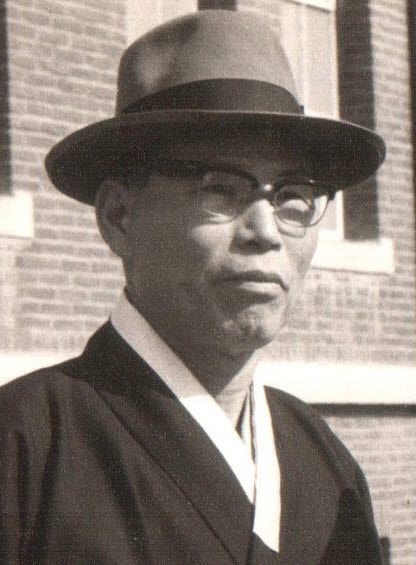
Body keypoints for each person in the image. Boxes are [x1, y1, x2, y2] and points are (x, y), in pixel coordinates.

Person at [0, 9, 385, 565]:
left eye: (293, 196)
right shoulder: (25, 447)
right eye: (221, 188)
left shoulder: (325, 463)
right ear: (119, 217)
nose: (265, 232)